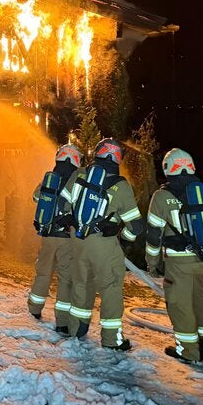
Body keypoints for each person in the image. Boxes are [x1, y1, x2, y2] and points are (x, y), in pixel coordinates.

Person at [60, 137, 144, 350]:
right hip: (104, 245)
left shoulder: (79, 175)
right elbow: (136, 225)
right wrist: (124, 241)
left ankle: (76, 328)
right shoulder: (121, 185)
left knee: (81, 283)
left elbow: (62, 205)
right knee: (111, 288)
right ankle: (111, 340)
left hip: (78, 240)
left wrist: (74, 223)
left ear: (97, 153)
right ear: (118, 159)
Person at [145, 148, 203, 364]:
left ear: (167, 169)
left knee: (181, 307)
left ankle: (188, 352)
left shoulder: (161, 197)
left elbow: (154, 235)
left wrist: (152, 263)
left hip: (178, 263)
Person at [27, 143, 81, 335]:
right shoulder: (78, 178)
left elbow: (35, 197)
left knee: (43, 273)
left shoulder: (50, 176)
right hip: (67, 237)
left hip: (48, 234)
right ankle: (62, 322)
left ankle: (34, 309)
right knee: (66, 279)